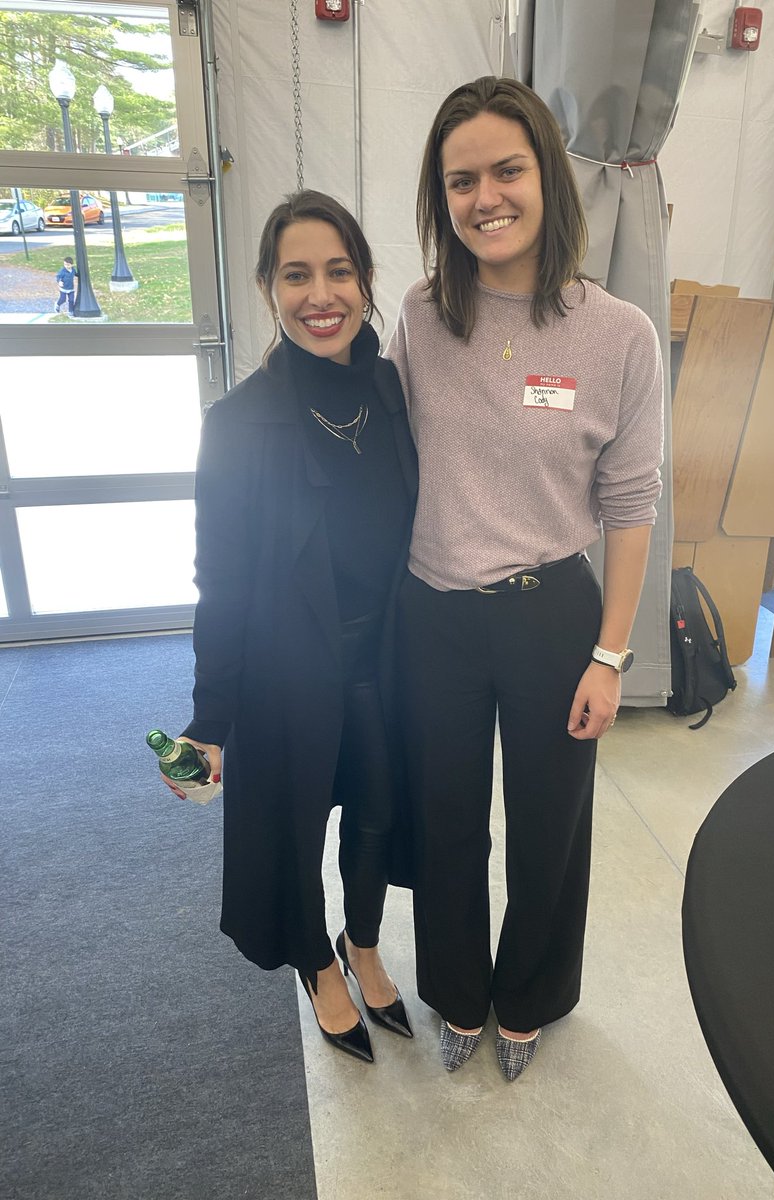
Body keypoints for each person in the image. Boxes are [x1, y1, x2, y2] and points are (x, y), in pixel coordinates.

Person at [387, 76, 664, 1080]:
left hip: (555, 617)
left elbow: (632, 507)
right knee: (447, 818)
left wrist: (610, 655)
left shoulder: (620, 335)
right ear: (441, 196)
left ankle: (532, 996)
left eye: (507, 169)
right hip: (435, 616)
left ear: (548, 176)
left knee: (551, 822)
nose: (485, 197)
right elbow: (386, 463)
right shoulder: (421, 319)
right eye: (461, 179)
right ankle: (459, 994)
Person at [160, 190, 418, 1064]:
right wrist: (209, 719)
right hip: (284, 666)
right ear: (269, 288)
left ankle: (366, 941)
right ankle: (316, 961)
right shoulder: (237, 426)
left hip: (381, 656)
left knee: (380, 810)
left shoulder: (387, 390)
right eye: (296, 275)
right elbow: (219, 581)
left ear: (366, 280)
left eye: (338, 272)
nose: (321, 295)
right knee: (297, 824)